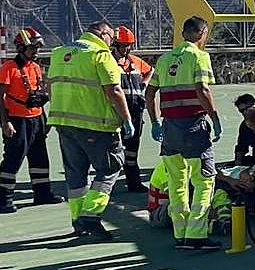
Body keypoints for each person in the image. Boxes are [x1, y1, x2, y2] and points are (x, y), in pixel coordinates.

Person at [48, 20, 135, 240]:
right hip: (96, 125)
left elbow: (51, 85)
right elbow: (114, 90)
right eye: (112, 38)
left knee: (76, 175)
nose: (112, 43)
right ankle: (91, 216)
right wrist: (126, 119)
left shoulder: (59, 53)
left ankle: (78, 221)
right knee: (109, 169)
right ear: (104, 34)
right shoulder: (100, 55)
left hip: (64, 123)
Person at [146, 15, 222, 251]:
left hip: (170, 128)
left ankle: (180, 233)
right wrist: (215, 117)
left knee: (176, 181)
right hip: (193, 127)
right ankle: (197, 235)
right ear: (202, 34)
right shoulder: (199, 57)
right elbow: (202, 88)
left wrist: (155, 121)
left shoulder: (164, 59)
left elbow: (150, 94)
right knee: (204, 180)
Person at [0, 28, 62, 212]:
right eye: (33, 48)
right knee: (13, 159)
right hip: (17, 120)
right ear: (21, 47)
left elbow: (37, 94)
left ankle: (42, 194)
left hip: (37, 119)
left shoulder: (36, 67)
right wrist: (5, 121)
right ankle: (4, 198)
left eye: (38, 48)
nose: (36, 51)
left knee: (40, 158)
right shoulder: (8, 69)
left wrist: (45, 119)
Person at [111, 26, 152, 192]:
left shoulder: (134, 62)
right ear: (115, 45)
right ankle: (109, 185)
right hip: (116, 114)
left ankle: (133, 182)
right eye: (124, 45)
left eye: (129, 45)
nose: (127, 49)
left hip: (136, 113)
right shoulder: (109, 63)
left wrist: (144, 84)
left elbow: (151, 71)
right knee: (114, 150)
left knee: (132, 150)